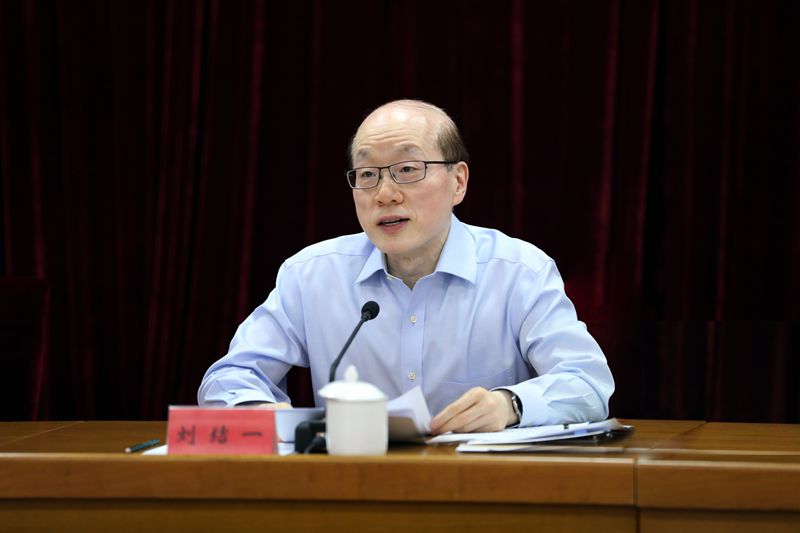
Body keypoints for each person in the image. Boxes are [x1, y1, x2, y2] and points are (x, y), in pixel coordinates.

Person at [198, 99, 614, 434]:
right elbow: (230, 376)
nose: (385, 194)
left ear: (458, 182)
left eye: (408, 170)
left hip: (481, 488)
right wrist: (255, 410)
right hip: (350, 488)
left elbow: (587, 382)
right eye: (367, 174)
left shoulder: (519, 272)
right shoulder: (310, 276)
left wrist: (511, 405)